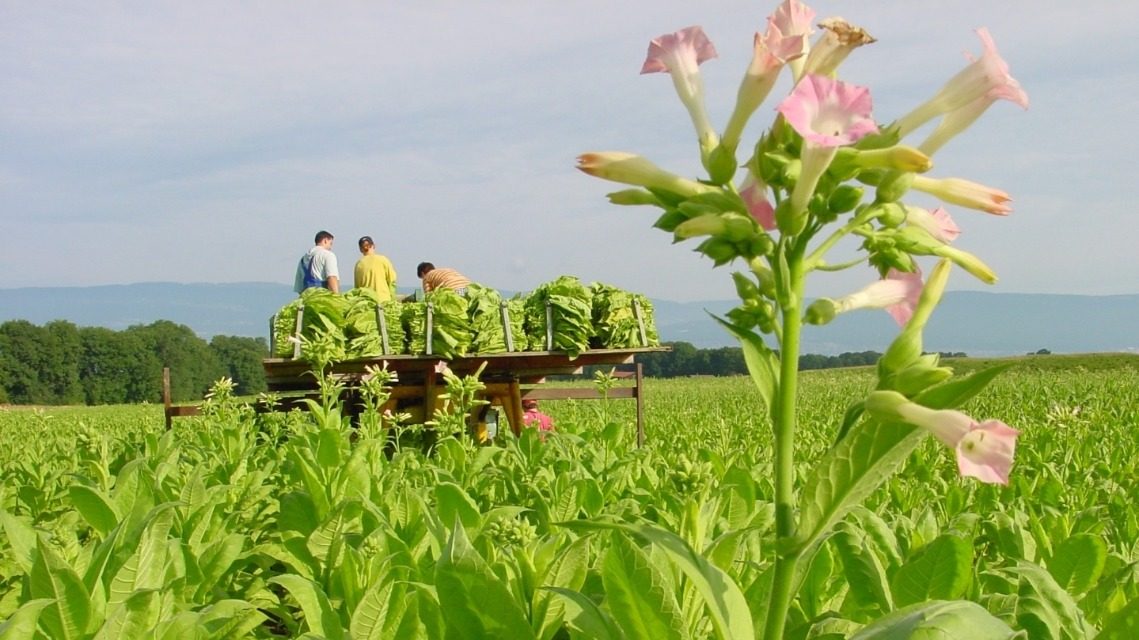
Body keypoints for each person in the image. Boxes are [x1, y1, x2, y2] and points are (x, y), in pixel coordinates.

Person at [353, 236, 398, 301]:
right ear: (373, 246)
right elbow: (392, 281)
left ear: (360, 249)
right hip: (384, 300)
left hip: (367, 303)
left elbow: (357, 289)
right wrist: (392, 299)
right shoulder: (383, 260)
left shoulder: (358, 265)